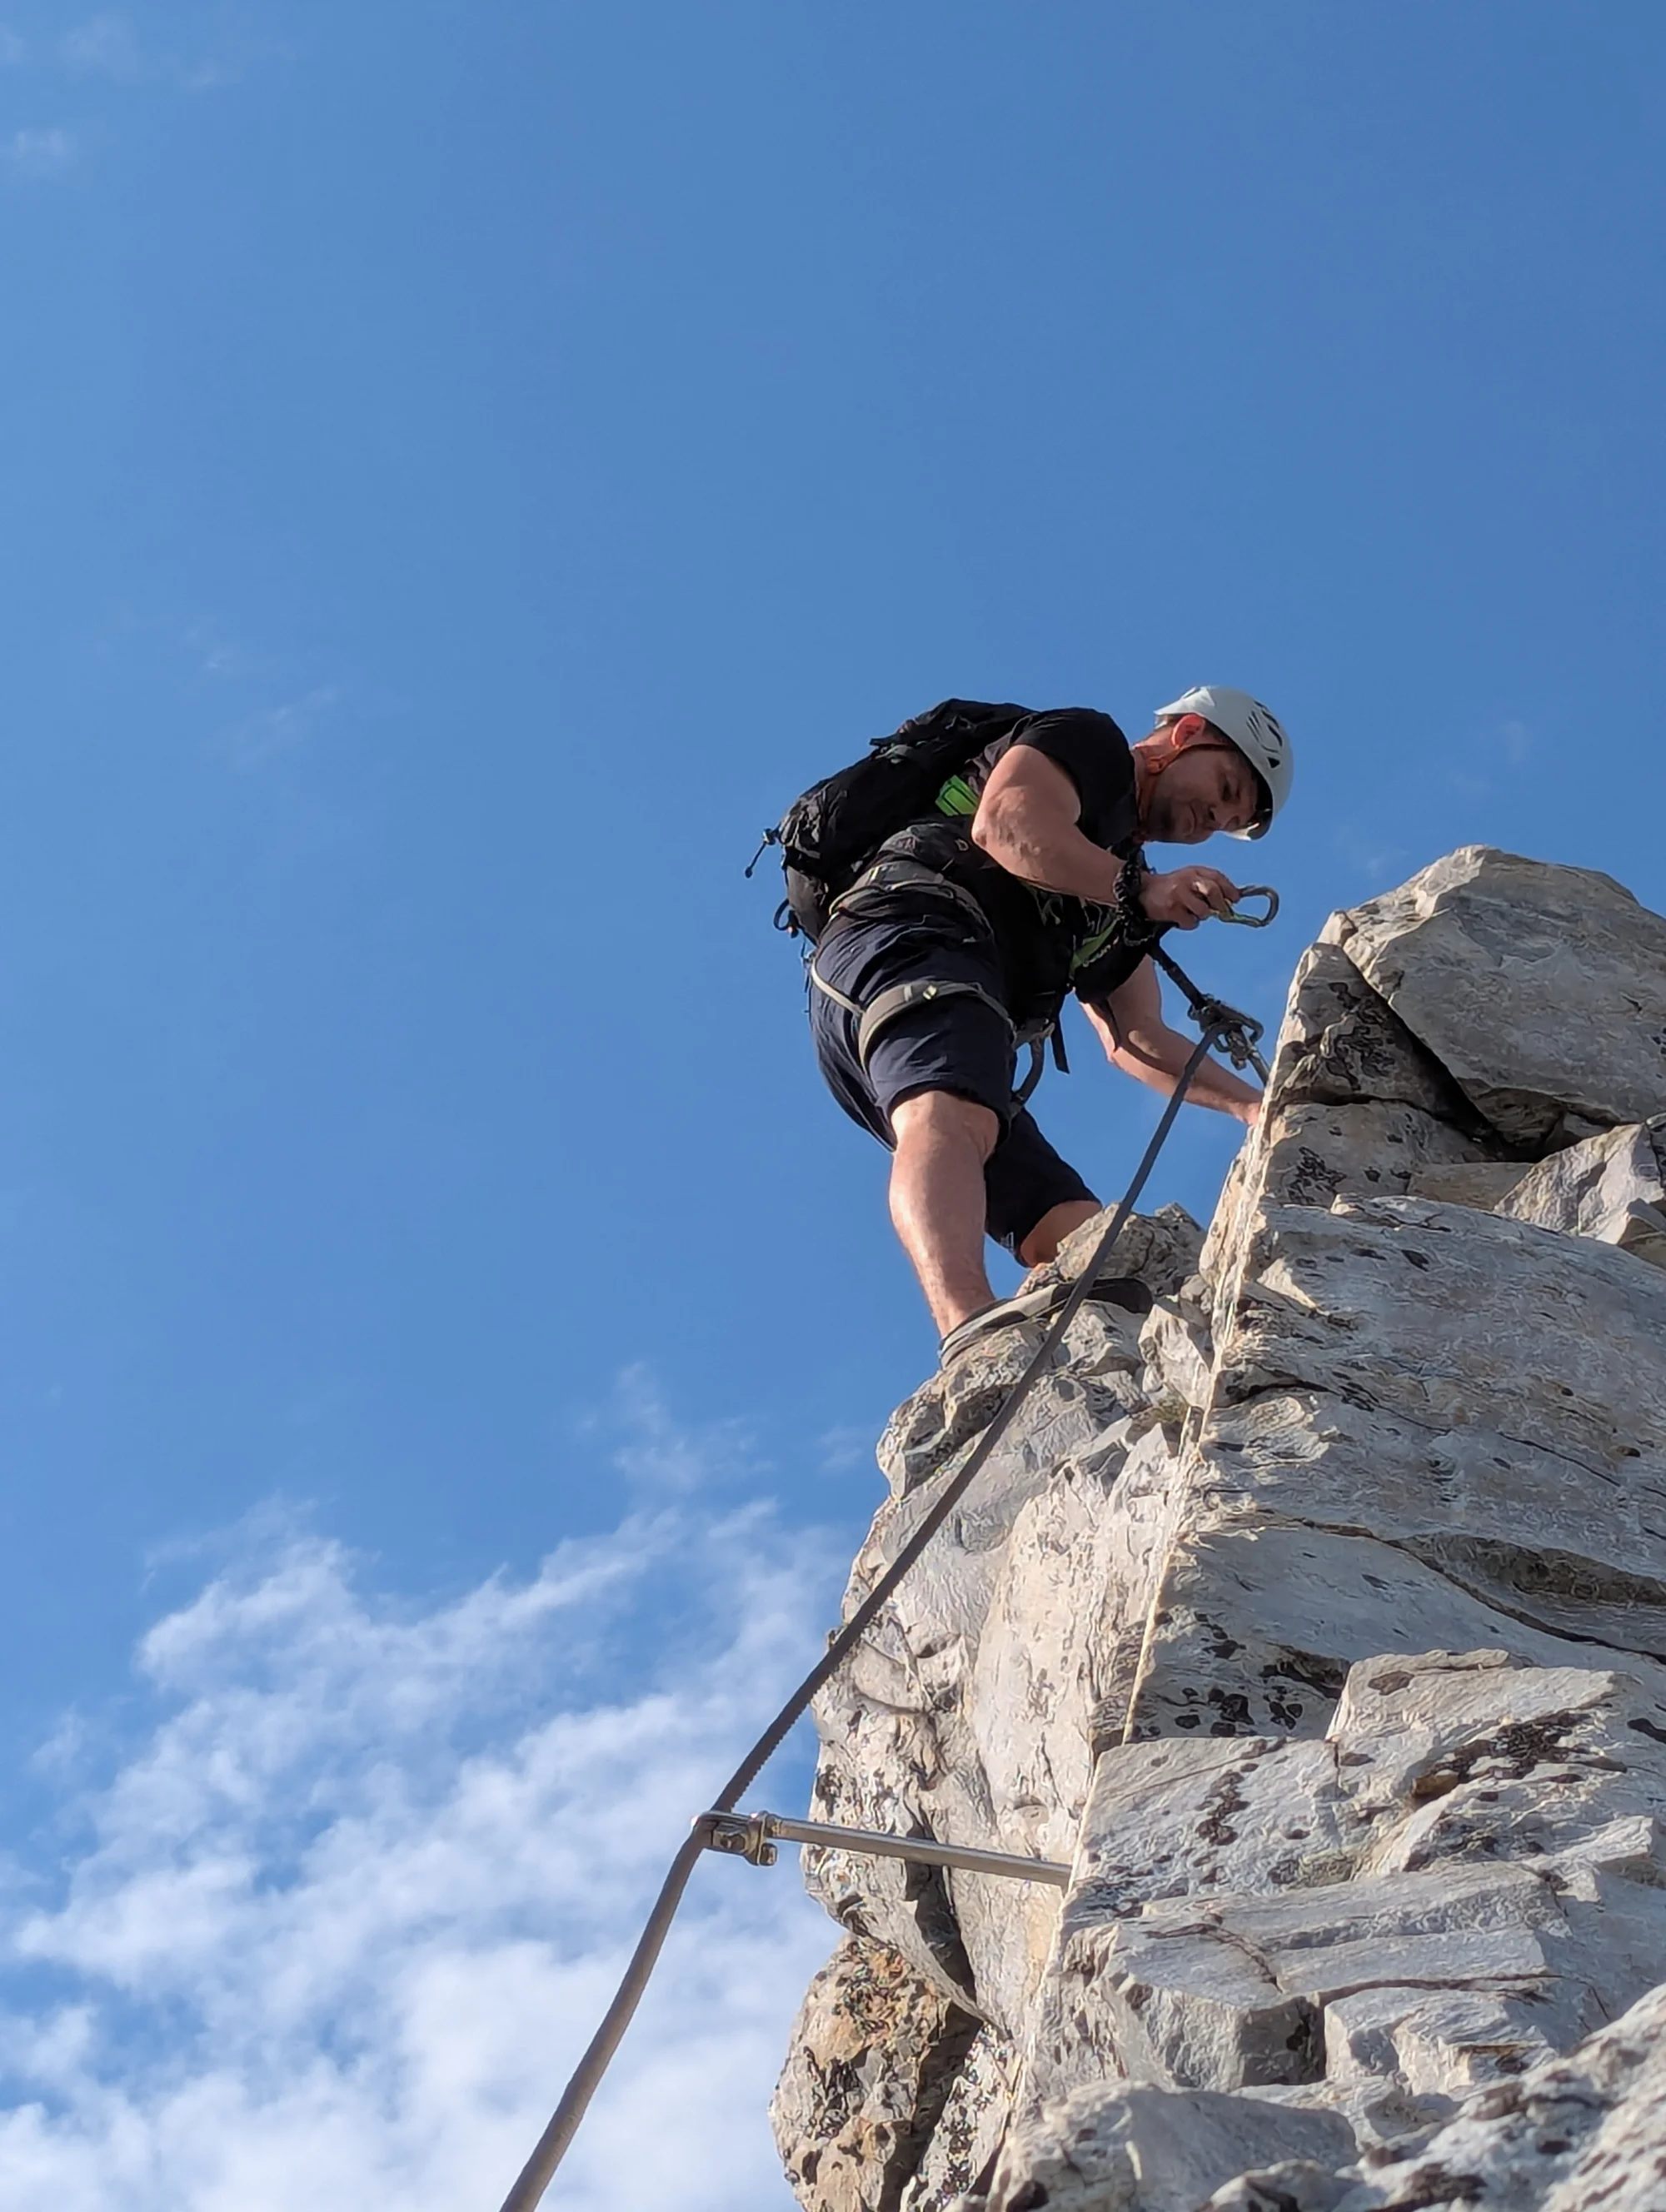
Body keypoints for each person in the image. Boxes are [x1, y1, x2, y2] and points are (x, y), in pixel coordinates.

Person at [806, 685, 1293, 1363]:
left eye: (1225, 820)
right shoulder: (1087, 745)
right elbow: (1005, 823)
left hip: (919, 995)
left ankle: (1099, 1371)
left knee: (1086, 1241)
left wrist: (1254, 1109)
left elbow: (1135, 1037)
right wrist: (1143, 892)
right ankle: (969, 1329)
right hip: (909, 931)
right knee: (956, 1117)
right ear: (1185, 734)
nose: (1212, 815)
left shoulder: (1120, 884)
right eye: (1225, 785)